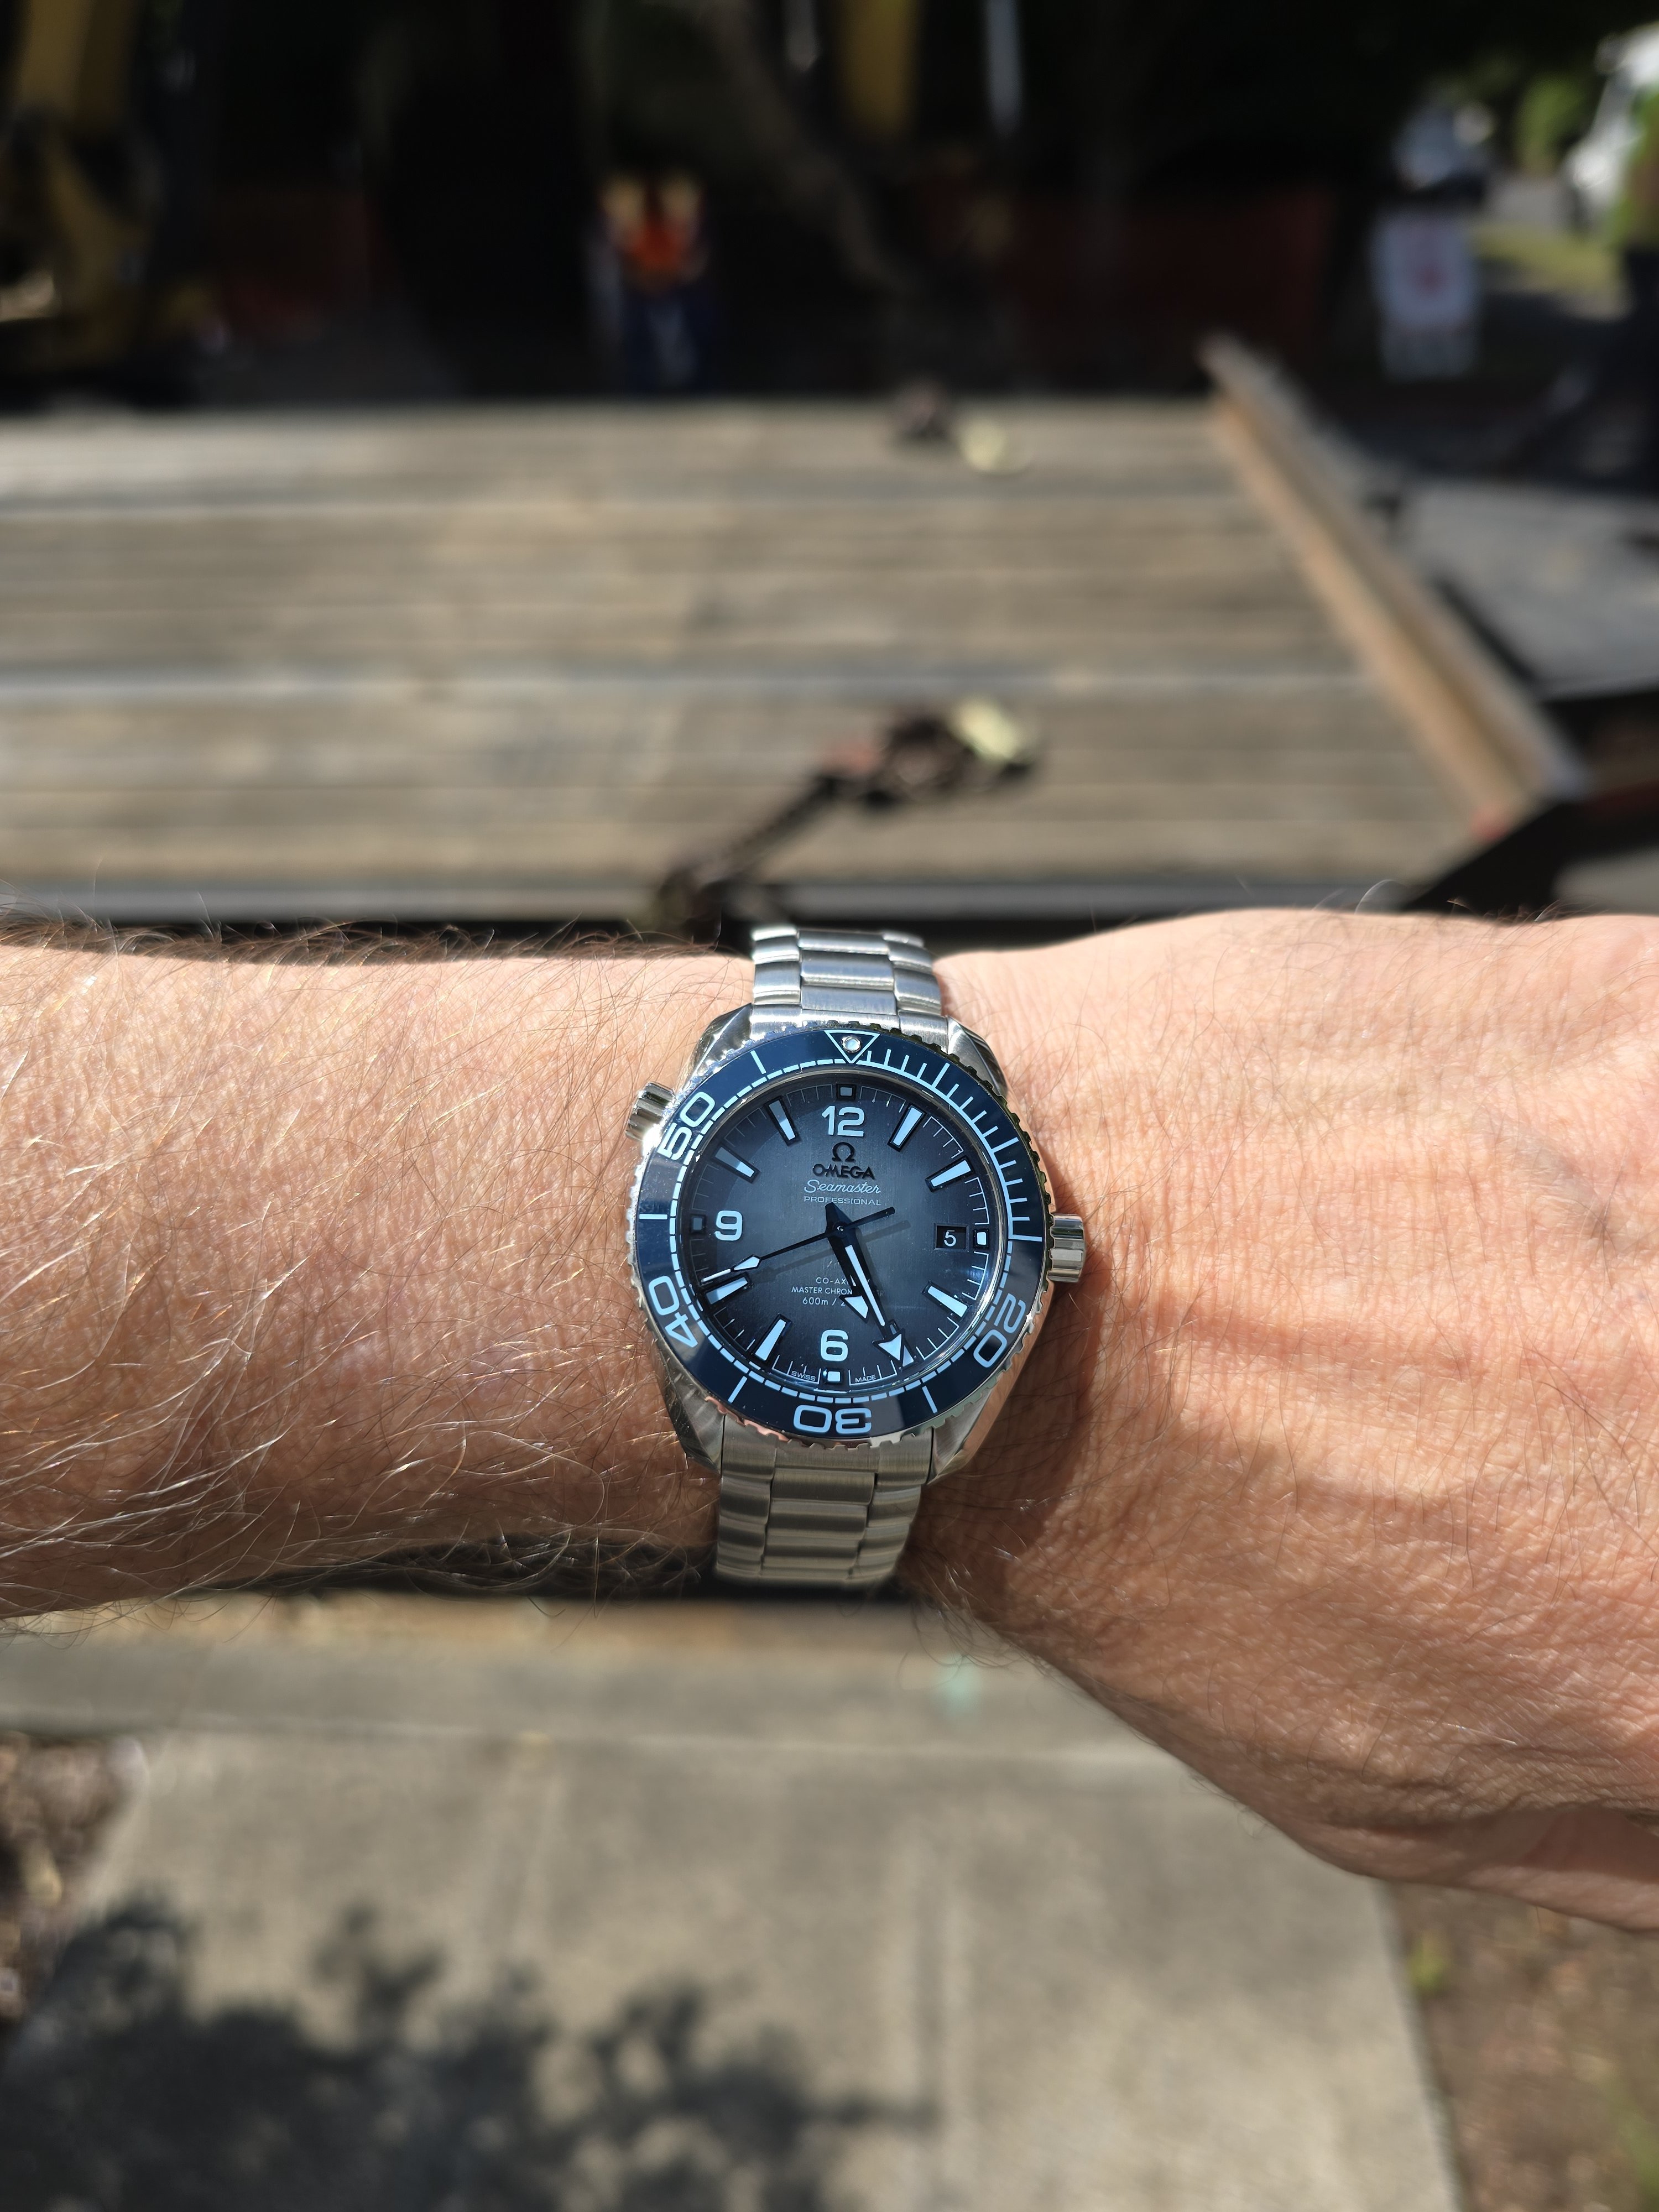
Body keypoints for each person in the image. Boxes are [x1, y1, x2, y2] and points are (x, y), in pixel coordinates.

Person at [6, 910, 1659, 1932]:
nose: (860, 1233)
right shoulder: (715, 1208)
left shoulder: (974, 1256)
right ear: (676, 1146)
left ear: (1044, 1246)